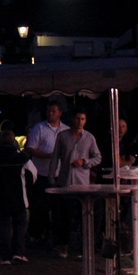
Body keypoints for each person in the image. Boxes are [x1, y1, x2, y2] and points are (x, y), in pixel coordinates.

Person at [52, 109, 101, 258]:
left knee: (83, 216)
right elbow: (55, 157)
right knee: (65, 216)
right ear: (73, 119)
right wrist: (51, 178)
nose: (80, 122)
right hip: (66, 181)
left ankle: (83, 248)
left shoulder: (89, 138)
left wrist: (85, 162)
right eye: (78, 118)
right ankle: (63, 245)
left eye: (83, 119)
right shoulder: (63, 136)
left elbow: (97, 157)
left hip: (82, 183)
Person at [0, 120, 31, 264]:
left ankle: (5, 256)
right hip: (18, 197)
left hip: (0, 197)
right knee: (19, 224)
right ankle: (18, 252)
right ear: (14, 142)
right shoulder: (22, 158)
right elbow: (32, 175)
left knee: (3, 226)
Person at [27, 100, 67, 247]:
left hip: (59, 174)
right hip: (42, 173)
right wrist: (48, 155)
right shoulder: (39, 128)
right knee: (39, 206)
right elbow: (31, 148)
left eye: (53, 111)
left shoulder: (65, 130)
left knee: (58, 208)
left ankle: (56, 234)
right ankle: (37, 233)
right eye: (49, 111)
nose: (50, 114)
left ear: (59, 113)